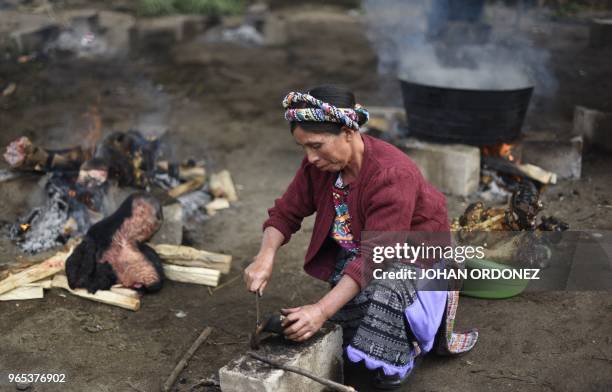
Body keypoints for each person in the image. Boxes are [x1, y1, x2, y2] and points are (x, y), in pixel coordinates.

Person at [244, 85, 478, 390]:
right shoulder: (319, 167)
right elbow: (285, 213)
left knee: (380, 298)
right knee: (348, 322)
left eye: (317, 145)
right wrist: (265, 256)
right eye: (303, 148)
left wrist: (320, 310)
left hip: (416, 262)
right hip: (364, 256)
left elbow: (375, 257)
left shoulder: (391, 174)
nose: (310, 157)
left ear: (348, 132)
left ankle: (401, 360)